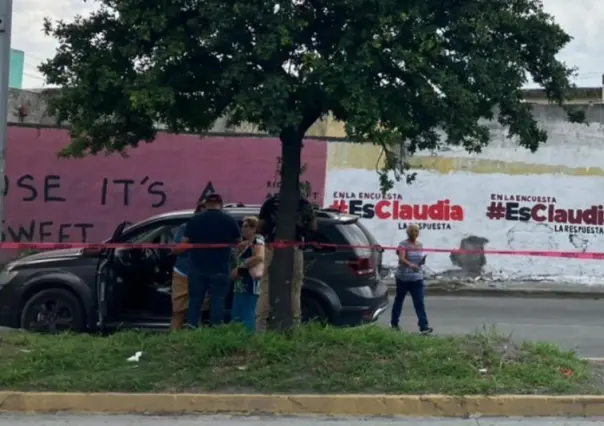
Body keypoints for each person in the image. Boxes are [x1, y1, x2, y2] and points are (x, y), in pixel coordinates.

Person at [176, 193, 241, 328]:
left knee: (195, 301)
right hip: (220, 268)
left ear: (205, 205)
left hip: (197, 267)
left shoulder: (195, 221)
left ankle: (191, 328)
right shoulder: (229, 221)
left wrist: (175, 250)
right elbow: (239, 244)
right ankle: (215, 331)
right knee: (218, 301)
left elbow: (184, 244)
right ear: (221, 205)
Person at [255, 190, 317, 331]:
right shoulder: (304, 204)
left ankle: (260, 329)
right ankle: (294, 327)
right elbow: (313, 227)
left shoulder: (270, 203)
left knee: (266, 287)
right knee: (295, 288)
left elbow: (260, 227)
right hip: (295, 247)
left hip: (272, 247)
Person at [390, 224, 433, 334]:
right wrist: (411, 265)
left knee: (419, 302)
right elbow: (401, 259)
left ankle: (423, 327)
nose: (414, 233)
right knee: (399, 301)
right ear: (408, 232)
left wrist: (421, 262)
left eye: (416, 231)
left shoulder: (420, 245)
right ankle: (394, 323)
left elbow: (419, 259)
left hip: (417, 278)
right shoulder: (403, 244)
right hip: (403, 278)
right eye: (412, 231)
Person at [169, 201, 205, 330]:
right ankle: (173, 341)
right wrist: (188, 241)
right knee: (178, 310)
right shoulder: (186, 227)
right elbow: (175, 250)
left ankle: (196, 341)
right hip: (183, 272)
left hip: (204, 274)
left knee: (199, 311)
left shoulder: (214, 230)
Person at [230, 216, 265, 332]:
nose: (243, 229)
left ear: (254, 228)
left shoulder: (258, 240)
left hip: (251, 284)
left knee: (248, 314)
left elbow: (260, 257)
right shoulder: (244, 243)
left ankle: (249, 339)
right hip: (240, 284)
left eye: (246, 227)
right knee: (237, 314)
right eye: (242, 226)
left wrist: (241, 268)